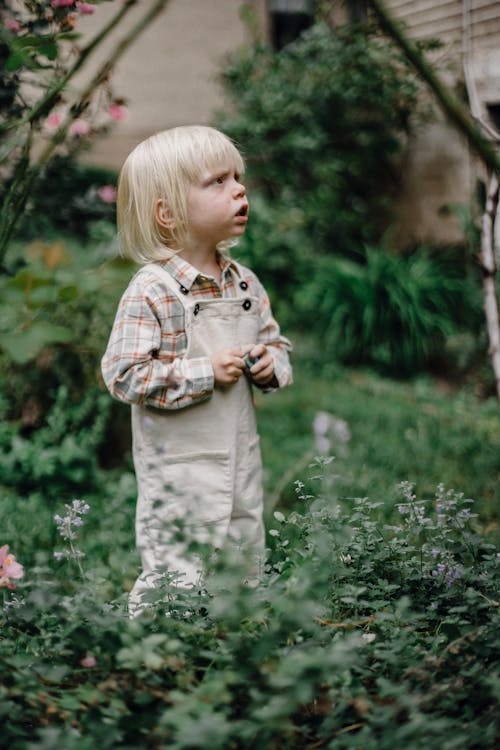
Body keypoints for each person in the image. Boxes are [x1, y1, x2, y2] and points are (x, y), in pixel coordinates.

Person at [101, 125, 292, 613]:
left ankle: (236, 642)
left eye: (238, 178)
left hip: (240, 451)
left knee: (244, 547)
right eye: (218, 181)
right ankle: (157, 653)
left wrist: (270, 364)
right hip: (179, 466)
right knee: (178, 565)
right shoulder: (153, 290)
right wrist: (203, 372)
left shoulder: (244, 283)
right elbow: (125, 375)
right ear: (167, 212)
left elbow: (275, 341)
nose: (239, 189)